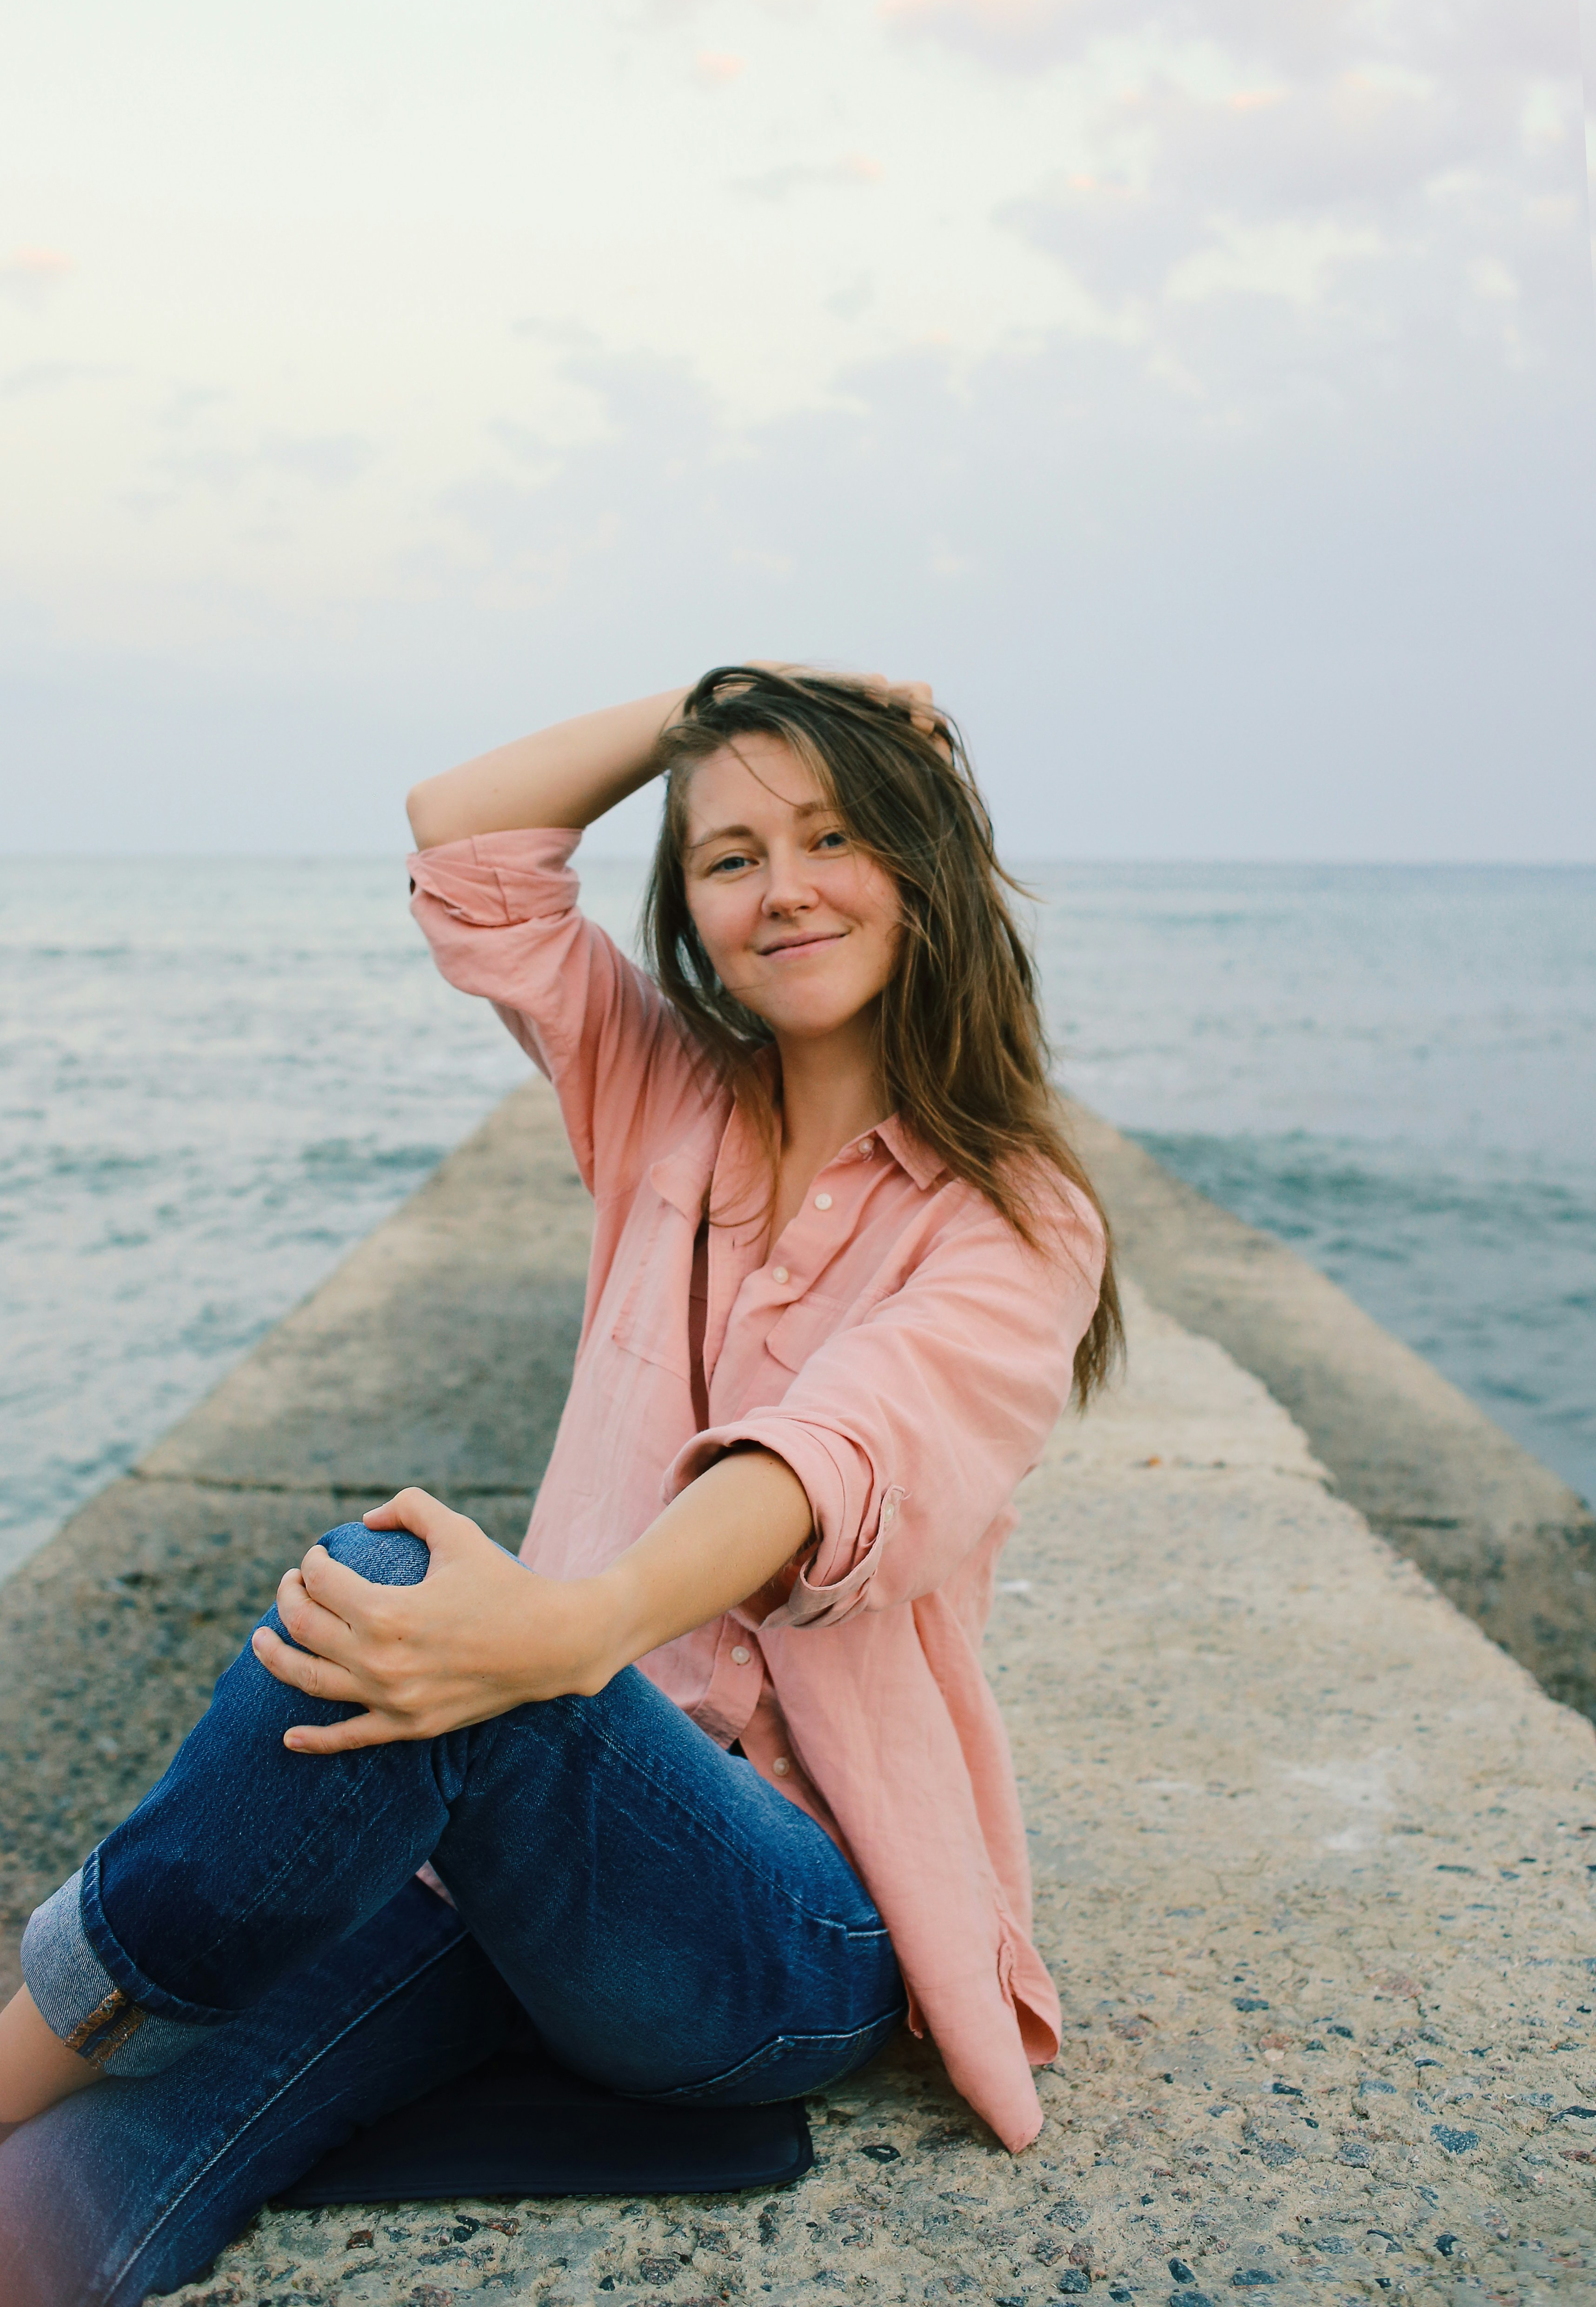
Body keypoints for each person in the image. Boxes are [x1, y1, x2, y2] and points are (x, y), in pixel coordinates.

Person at [0, 665, 1121, 2303]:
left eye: (836, 835)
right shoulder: (664, 1094)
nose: (784, 885)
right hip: (528, 1832)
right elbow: (468, 842)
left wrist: (574, 1628)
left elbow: (839, 1454)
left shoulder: (1018, 1221)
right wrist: (720, 695)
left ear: (927, 867)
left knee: (401, 1593)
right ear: (691, 905)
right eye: (731, 853)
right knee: (137, 2128)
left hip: (791, 1928)